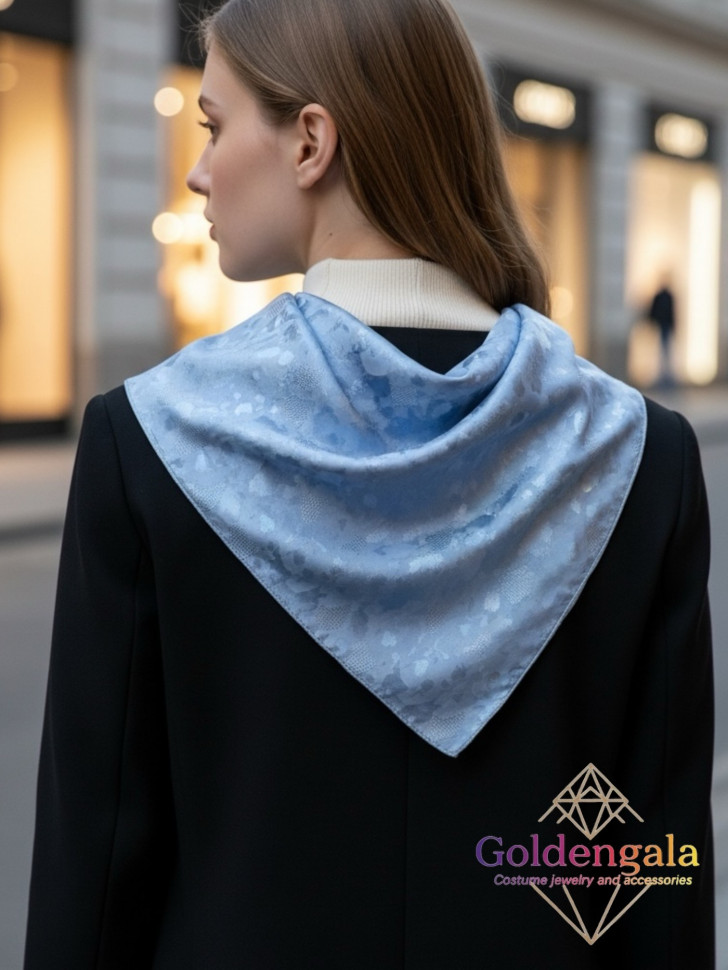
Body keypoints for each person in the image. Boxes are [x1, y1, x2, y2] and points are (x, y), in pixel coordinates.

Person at [24, 0, 713, 967]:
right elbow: (651, 876)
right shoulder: (635, 454)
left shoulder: (151, 440)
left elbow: (97, 873)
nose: (197, 171)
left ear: (311, 142)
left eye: (214, 127)